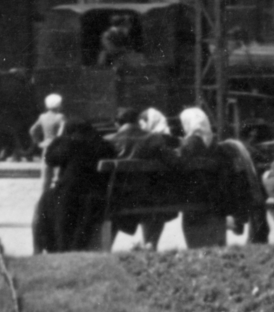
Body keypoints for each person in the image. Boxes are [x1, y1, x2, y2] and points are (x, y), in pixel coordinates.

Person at [33, 118, 116, 252]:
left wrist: (59, 138)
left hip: (68, 195)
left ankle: (40, 250)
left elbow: (49, 159)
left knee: (44, 201)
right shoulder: (104, 145)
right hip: (96, 196)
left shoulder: (68, 143)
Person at [107, 105, 180, 250]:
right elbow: (175, 162)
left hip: (117, 200)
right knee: (157, 196)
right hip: (149, 200)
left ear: (116, 123)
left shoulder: (109, 141)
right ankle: (151, 244)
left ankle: (106, 247)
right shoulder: (154, 139)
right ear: (138, 122)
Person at [29, 94, 67, 193]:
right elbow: (61, 133)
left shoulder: (42, 117)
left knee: (46, 178)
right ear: (59, 105)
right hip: (57, 148)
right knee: (58, 176)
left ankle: (44, 198)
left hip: (46, 148)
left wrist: (38, 142)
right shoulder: (60, 117)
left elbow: (32, 130)